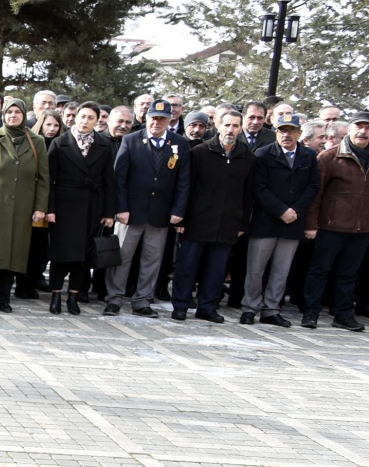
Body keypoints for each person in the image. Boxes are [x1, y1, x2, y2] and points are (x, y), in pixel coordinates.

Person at [106, 99, 189, 317]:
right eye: (153, 118)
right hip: (131, 212)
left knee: (152, 259)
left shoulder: (180, 143)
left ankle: (142, 300)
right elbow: (119, 178)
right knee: (122, 257)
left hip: (160, 213)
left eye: (162, 119)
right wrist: (120, 208)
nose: (157, 123)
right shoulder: (131, 140)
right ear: (146, 119)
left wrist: (178, 210)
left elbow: (183, 180)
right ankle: (114, 299)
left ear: (170, 120)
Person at [172, 109, 255, 322]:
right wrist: (182, 216)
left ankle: (207, 307)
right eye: (227, 125)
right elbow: (186, 186)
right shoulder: (199, 152)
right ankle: (180, 305)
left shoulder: (247, 157)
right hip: (197, 221)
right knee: (187, 267)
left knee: (217, 270)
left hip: (228, 223)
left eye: (235, 126)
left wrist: (243, 223)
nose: (231, 130)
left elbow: (249, 193)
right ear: (217, 125)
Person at [242, 113, 317, 326]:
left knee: (281, 270)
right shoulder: (263, 154)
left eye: (291, 131)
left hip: (293, 222)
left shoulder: (309, 156)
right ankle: (250, 308)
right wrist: (281, 210)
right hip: (266, 221)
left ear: (299, 134)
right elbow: (259, 188)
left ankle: (271, 310)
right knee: (256, 269)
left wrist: (295, 210)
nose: (287, 135)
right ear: (276, 133)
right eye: (282, 131)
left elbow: (313, 186)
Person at [0, 98, 48, 312]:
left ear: (24, 115)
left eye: (17, 112)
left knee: (14, 254)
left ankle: (3, 298)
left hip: (22, 208)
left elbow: (43, 177)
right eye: (9, 112)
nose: (13, 116)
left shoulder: (37, 142)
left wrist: (40, 207)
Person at [45, 102, 117, 315]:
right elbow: (50, 179)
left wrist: (108, 212)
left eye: (90, 118)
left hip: (91, 206)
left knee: (82, 255)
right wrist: (50, 208)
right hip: (64, 205)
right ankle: (56, 295)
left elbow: (109, 181)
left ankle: (73, 296)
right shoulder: (60, 143)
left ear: (97, 121)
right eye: (82, 116)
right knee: (61, 253)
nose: (85, 121)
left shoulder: (104, 145)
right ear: (76, 117)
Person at [301, 111, 369, 331]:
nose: (363, 131)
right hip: (330, 226)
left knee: (348, 275)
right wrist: (311, 224)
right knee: (319, 271)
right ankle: (310, 312)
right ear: (350, 129)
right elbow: (316, 194)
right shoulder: (330, 157)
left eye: (367, 128)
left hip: (362, 229)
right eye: (359, 126)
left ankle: (343, 314)